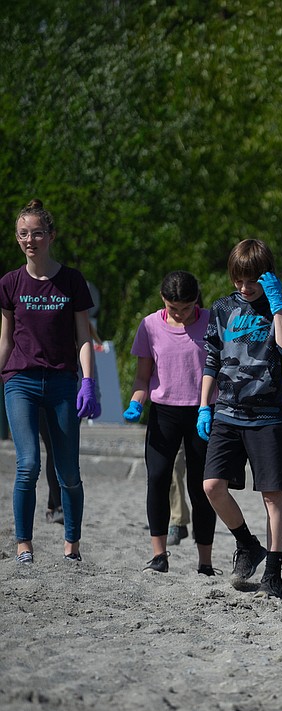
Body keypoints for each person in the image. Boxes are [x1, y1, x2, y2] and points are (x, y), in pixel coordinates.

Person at [197, 239, 282, 598]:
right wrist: (203, 405)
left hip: (268, 416)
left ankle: (273, 571)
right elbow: (211, 358)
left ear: (266, 275)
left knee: (272, 497)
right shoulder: (223, 307)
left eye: (251, 280)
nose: (244, 287)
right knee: (212, 486)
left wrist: (276, 305)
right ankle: (247, 544)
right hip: (227, 411)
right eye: (238, 279)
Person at [1, 200, 100, 564]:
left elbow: (83, 337)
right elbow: (6, 338)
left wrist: (88, 381)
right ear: (17, 238)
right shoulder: (10, 283)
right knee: (28, 464)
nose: (31, 240)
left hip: (61, 381)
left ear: (51, 236)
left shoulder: (71, 280)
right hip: (21, 380)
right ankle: (24, 544)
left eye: (37, 233)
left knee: (68, 471)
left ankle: (71, 543)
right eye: (24, 233)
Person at [123, 270, 218, 574]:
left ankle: (205, 561)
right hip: (164, 412)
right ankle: (159, 554)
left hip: (202, 412)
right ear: (164, 300)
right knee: (159, 478)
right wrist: (136, 404)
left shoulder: (211, 322)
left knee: (201, 486)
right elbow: (142, 377)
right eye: (173, 308)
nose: (180, 314)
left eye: (186, 308)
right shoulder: (150, 326)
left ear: (196, 301)